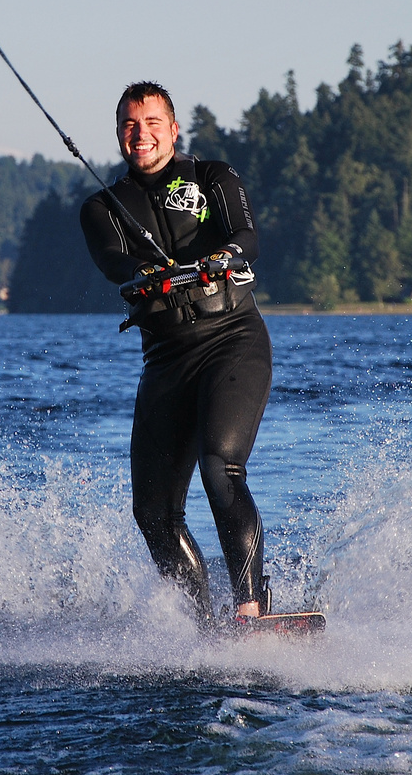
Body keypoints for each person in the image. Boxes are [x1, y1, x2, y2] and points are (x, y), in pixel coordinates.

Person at [80, 81, 274, 623]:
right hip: (166, 361)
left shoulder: (214, 177)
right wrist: (148, 274)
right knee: (154, 513)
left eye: (151, 123)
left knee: (220, 468)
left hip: (232, 340)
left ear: (173, 129)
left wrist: (223, 256)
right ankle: (201, 626)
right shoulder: (102, 206)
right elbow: (114, 263)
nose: (140, 135)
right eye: (129, 125)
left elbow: (246, 236)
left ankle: (251, 610)